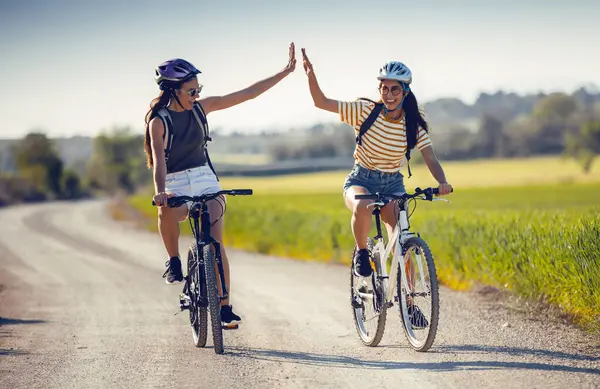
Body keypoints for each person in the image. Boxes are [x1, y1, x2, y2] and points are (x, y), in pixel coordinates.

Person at [144, 43, 297, 327]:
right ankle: (174, 261)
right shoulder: (159, 121)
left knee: (215, 242)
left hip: (204, 176)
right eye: (192, 91)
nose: (197, 95)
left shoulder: (202, 109)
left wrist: (284, 72)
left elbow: (247, 94)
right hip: (175, 180)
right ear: (172, 90)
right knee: (166, 212)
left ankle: (224, 306)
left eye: (198, 89)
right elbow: (159, 162)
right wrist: (160, 193)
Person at [301, 48, 453, 279]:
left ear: (405, 91)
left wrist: (442, 181)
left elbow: (431, 157)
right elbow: (321, 102)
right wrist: (310, 74)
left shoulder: (413, 125)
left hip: (392, 184)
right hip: (361, 179)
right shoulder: (364, 111)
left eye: (394, 89)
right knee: (364, 206)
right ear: (379, 89)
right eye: (384, 88)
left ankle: (410, 304)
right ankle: (362, 253)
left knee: (402, 239)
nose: (389, 94)